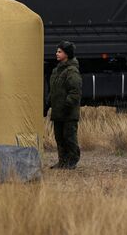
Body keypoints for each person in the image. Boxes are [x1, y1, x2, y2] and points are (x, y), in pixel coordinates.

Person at [48, 40, 82, 169]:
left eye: (59, 51)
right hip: (58, 112)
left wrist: (67, 106)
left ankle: (72, 161)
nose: (56, 53)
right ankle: (62, 161)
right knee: (59, 138)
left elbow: (75, 92)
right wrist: (47, 104)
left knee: (69, 138)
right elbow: (53, 91)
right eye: (57, 51)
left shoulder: (71, 71)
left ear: (66, 54)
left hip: (68, 113)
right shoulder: (56, 71)